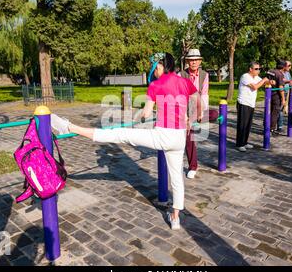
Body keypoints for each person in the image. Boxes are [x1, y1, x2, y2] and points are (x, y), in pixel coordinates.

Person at [51, 53, 202, 231]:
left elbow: (146, 113)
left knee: (120, 134)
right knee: (177, 178)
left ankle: (69, 127)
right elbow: (198, 100)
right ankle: (176, 219)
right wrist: (193, 117)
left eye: (154, 67)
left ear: (160, 66)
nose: (153, 72)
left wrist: (142, 114)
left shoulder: (156, 84)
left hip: (163, 136)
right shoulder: (183, 81)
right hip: (179, 138)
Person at [179, 49, 217, 179]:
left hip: (198, 105)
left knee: (215, 114)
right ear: (188, 61)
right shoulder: (181, 75)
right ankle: (193, 166)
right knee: (189, 137)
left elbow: (204, 94)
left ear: (200, 61)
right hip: (185, 106)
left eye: (196, 59)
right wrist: (185, 116)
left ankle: (197, 121)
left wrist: (200, 112)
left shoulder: (204, 74)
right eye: (191, 59)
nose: (193, 62)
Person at [236, 62, 271, 152]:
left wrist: (270, 81)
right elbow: (255, 87)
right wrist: (264, 80)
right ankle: (239, 144)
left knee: (248, 124)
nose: (258, 71)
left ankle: (245, 142)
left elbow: (263, 82)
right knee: (242, 124)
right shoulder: (245, 76)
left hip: (251, 103)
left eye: (259, 69)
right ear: (250, 69)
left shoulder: (255, 77)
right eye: (256, 69)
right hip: (243, 103)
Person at [267, 60, 286, 136]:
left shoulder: (270, 71)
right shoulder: (280, 74)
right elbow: (281, 88)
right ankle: (271, 129)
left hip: (268, 94)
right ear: (283, 67)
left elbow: (266, 80)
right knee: (275, 113)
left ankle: (266, 127)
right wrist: (283, 99)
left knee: (268, 111)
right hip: (276, 96)